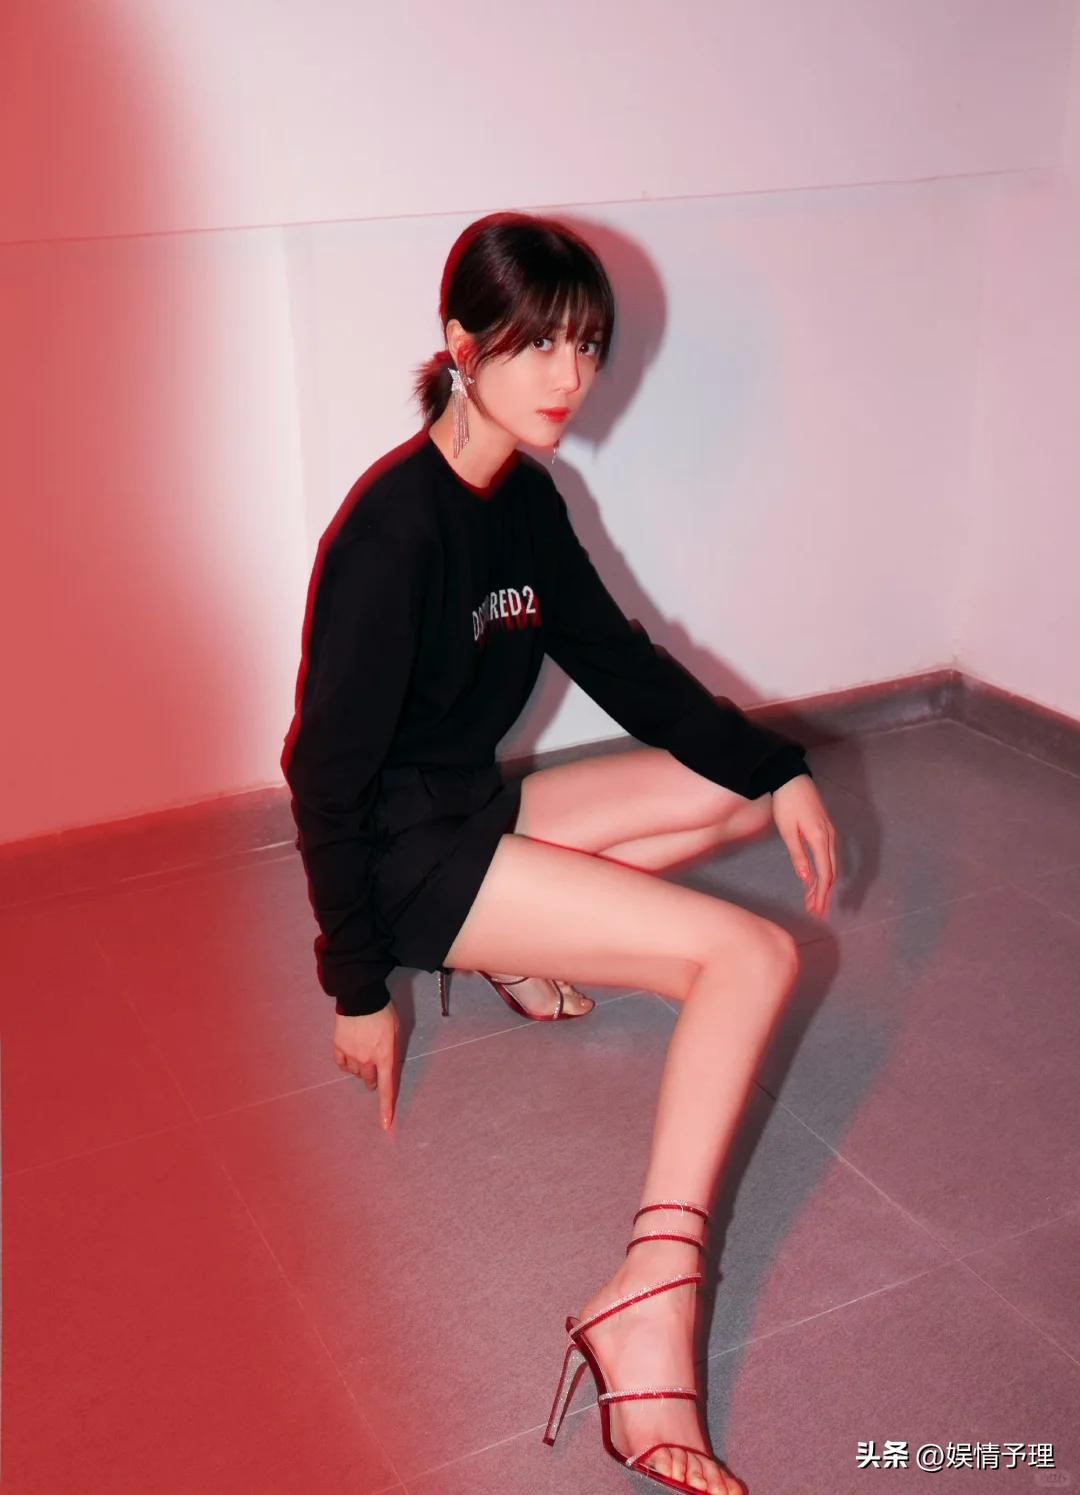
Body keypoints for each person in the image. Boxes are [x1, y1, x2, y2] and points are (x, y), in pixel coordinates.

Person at [281, 211, 839, 1495]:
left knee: (732, 796)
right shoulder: (390, 535)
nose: (569, 377)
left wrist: (778, 766)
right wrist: (356, 984)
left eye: (586, 346)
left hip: (469, 809)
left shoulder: (527, 499)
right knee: (749, 957)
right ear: (461, 345)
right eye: (538, 345)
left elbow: (623, 666)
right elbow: (322, 775)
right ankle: (650, 1298)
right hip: (408, 865)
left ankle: (517, 953)